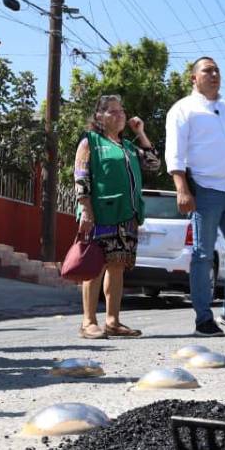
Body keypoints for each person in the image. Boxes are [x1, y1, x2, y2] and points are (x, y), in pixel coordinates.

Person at [165, 57, 225, 337]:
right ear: (193, 78)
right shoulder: (183, 109)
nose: (214, 74)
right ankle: (203, 319)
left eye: (217, 70)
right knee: (203, 254)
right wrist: (182, 188)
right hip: (204, 188)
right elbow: (175, 152)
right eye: (207, 70)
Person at [74, 94, 160, 340]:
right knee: (95, 265)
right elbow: (81, 175)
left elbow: (153, 164)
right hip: (100, 212)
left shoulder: (128, 147)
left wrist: (140, 132)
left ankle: (113, 321)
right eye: (112, 111)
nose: (120, 115)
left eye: (121, 110)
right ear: (99, 116)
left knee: (117, 266)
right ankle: (89, 322)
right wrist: (85, 209)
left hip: (127, 214)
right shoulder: (90, 141)